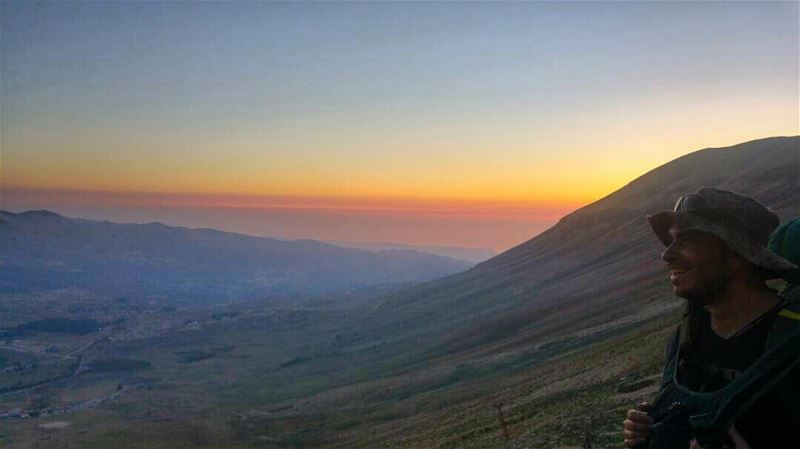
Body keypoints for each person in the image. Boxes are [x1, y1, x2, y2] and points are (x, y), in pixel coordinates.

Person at [622, 187, 800, 449]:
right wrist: (651, 432)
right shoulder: (685, 337)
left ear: (737, 253)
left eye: (687, 241)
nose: (667, 255)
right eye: (671, 241)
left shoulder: (791, 342)